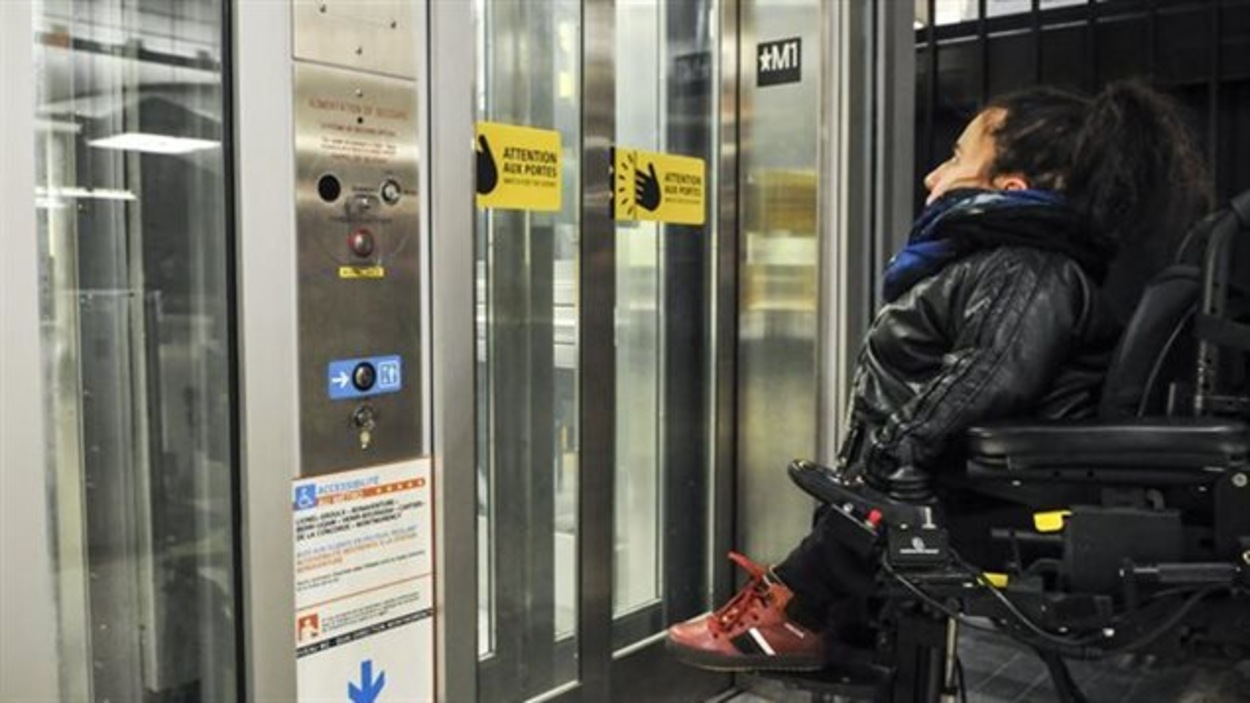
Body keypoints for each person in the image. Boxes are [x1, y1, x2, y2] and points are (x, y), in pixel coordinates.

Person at [666, 80, 1213, 671]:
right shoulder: (995, 265)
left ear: (1009, 188)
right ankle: (811, 622)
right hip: (936, 477)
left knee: (854, 531)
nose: (933, 175)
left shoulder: (1028, 268)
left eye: (955, 157)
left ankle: (790, 611)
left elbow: (986, 378)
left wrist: (894, 457)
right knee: (854, 537)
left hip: (977, 491)